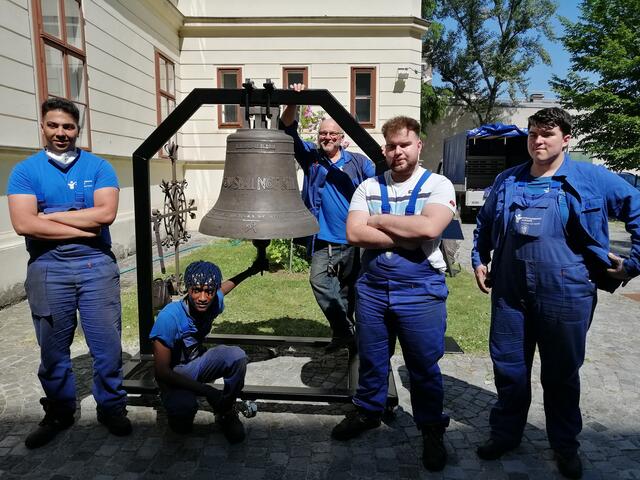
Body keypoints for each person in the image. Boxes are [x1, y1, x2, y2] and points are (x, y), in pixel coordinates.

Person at [471, 107, 640, 479]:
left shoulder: (590, 177)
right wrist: (480, 258)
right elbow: (484, 224)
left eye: (547, 134)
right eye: (533, 134)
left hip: (566, 290)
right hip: (510, 291)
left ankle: (564, 445)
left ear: (566, 139)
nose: (538, 140)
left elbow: (637, 208)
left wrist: (632, 262)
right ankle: (506, 434)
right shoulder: (508, 180)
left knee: (561, 373)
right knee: (509, 368)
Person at [333, 116, 456, 472]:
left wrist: (379, 220)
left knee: (422, 366)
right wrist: (409, 234)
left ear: (418, 145)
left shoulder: (439, 184)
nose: (398, 151)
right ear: (384, 149)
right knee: (372, 358)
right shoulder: (368, 186)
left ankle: (431, 428)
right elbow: (354, 234)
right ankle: (370, 411)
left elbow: (431, 226)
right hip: (372, 289)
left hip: (420, 290)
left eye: (405, 144)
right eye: (391, 145)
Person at [7, 98, 131, 449]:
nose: (61, 133)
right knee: (53, 350)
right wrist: (81, 223)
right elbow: (22, 223)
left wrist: (46, 217)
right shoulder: (25, 171)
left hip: (96, 269)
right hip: (48, 270)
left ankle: (111, 407)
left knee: (107, 346)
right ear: (43, 127)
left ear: (78, 129)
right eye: (53, 126)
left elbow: (105, 214)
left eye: (68, 127)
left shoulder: (99, 167)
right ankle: (59, 411)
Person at [280, 84, 375, 352]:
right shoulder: (311, 157)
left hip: (354, 240)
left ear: (342, 136)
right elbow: (287, 130)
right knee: (319, 281)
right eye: (323, 133)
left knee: (348, 293)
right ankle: (347, 331)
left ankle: (343, 338)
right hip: (322, 239)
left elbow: (380, 180)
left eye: (333, 133)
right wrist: (293, 100)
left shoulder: (358, 162)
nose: (327, 137)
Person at [150, 260, 262, 443]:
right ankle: (177, 403)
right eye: (196, 290)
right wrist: (207, 391)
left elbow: (224, 288)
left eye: (209, 291)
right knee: (181, 423)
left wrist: (250, 270)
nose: (203, 297)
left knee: (237, 357)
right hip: (174, 374)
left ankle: (226, 410)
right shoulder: (169, 318)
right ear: (188, 289)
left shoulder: (213, 301)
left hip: (198, 363)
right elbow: (161, 372)